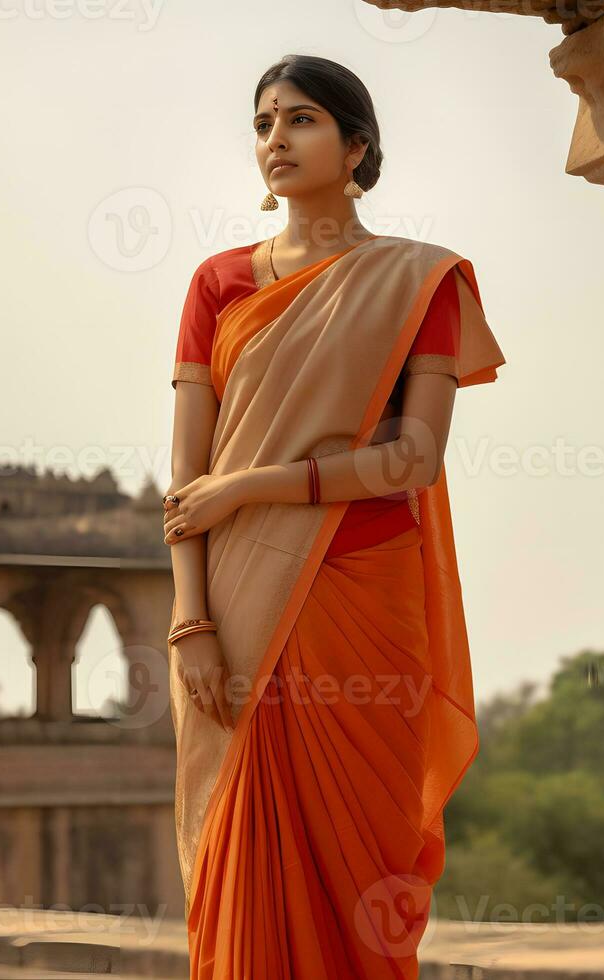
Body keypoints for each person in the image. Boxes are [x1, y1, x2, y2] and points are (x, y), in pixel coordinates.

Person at [160, 53, 507, 977]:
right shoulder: (218, 284)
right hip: (234, 606)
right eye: (264, 124)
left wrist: (249, 488)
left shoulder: (422, 282)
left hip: (363, 593)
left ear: (357, 146)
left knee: (363, 860)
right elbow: (185, 479)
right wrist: (190, 622)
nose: (276, 139)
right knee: (243, 853)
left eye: (301, 120)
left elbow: (412, 460)